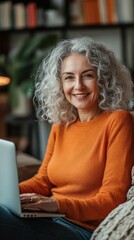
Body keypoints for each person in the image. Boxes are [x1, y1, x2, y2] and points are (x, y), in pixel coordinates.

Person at [0, 36, 134, 240]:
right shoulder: (62, 123)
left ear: (103, 78)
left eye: (87, 75)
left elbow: (112, 200)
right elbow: (43, 181)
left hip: (82, 228)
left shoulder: (118, 121)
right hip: (50, 217)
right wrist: (10, 191)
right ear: (60, 83)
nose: (78, 86)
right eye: (69, 77)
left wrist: (56, 204)